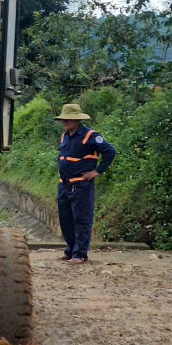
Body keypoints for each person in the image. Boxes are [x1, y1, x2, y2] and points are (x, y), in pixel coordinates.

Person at [55, 104, 117, 265]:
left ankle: (80, 254)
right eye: (64, 119)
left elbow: (110, 152)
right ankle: (70, 251)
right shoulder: (65, 136)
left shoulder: (91, 135)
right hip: (64, 185)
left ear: (77, 120)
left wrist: (97, 171)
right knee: (65, 219)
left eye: (69, 119)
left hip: (81, 186)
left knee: (81, 220)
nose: (65, 122)